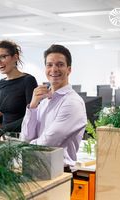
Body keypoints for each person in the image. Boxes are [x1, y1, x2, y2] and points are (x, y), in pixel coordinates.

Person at [20, 44, 87, 173]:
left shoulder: (72, 102)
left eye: (60, 64)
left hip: (59, 172)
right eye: (49, 65)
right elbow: (26, 136)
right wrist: (33, 105)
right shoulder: (44, 102)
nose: (54, 69)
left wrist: (21, 148)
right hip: (36, 167)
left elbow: (49, 142)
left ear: (69, 70)